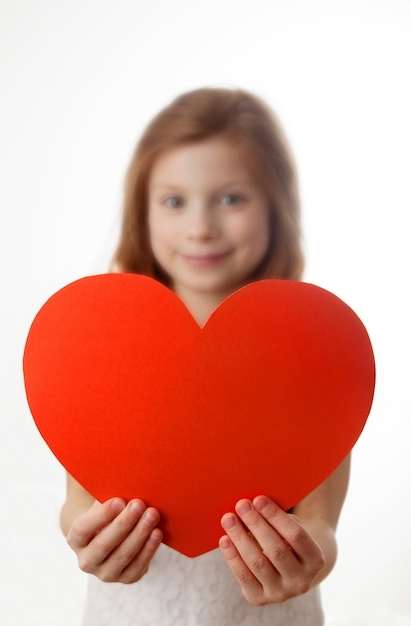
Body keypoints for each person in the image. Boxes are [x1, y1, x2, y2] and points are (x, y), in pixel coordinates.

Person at [60, 87, 350, 625]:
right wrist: (87, 537)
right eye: (174, 201)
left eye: (231, 198)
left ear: (277, 205)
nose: (200, 227)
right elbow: (78, 501)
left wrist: (306, 561)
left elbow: (320, 522)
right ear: (140, 212)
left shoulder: (312, 351)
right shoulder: (107, 344)